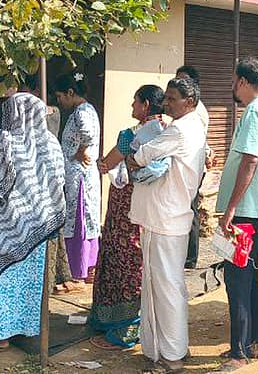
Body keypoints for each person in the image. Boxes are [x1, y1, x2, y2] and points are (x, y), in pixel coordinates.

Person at [0, 89, 66, 351]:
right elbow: (58, 184)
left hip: (1, 231)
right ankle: (26, 329)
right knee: (29, 282)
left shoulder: (3, 144)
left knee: (1, 280)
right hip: (36, 230)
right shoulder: (51, 145)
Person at [125, 78, 206, 373]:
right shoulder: (194, 125)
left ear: (189, 101)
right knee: (161, 285)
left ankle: (171, 356)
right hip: (169, 216)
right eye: (167, 98)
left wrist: (133, 158)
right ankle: (162, 350)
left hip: (165, 218)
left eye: (172, 99)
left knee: (166, 287)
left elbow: (141, 156)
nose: (166, 104)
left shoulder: (181, 129)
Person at [214, 57, 258, 371]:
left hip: (246, 211)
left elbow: (250, 161)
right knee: (252, 275)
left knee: (237, 278)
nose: (232, 88)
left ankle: (238, 353)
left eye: (233, 82)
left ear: (241, 80)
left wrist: (230, 209)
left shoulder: (255, 111)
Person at [88, 85, 165, 350]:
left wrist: (101, 163)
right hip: (154, 210)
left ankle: (123, 328)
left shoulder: (130, 136)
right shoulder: (168, 133)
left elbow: (105, 164)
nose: (132, 107)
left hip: (125, 211)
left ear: (145, 105)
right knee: (143, 262)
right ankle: (143, 323)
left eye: (135, 102)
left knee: (123, 263)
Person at [54, 73, 102, 282]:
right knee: (83, 218)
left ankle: (81, 267)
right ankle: (84, 266)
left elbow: (88, 133)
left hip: (79, 176)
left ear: (70, 93)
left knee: (80, 218)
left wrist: (81, 150)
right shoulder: (87, 110)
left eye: (59, 96)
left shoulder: (82, 112)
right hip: (81, 175)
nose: (59, 101)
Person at [175, 65, 214, 269]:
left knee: (190, 209)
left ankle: (190, 258)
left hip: (191, 164)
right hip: (188, 162)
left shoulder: (196, 111)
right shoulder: (186, 109)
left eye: (184, 80)